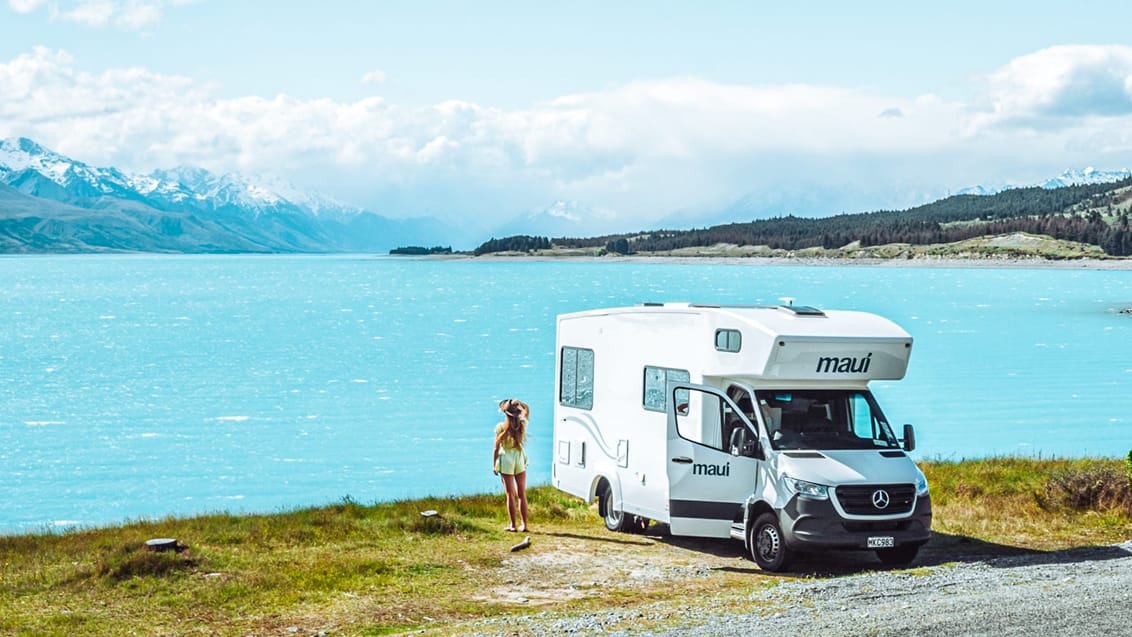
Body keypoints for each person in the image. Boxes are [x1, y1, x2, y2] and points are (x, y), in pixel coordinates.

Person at [493, 398, 530, 532]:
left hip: (506, 460)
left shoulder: (500, 428)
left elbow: (496, 448)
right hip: (519, 458)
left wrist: (494, 464)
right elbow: (527, 411)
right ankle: (524, 525)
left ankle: (513, 525)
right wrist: (520, 402)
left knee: (510, 494)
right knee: (522, 493)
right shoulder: (521, 424)